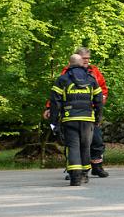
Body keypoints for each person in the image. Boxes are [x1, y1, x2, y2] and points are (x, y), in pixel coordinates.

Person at [44, 47, 110, 177]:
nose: (87, 61)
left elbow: (102, 89)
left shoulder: (94, 71)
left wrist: (101, 101)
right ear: (77, 58)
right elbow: (57, 93)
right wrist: (49, 108)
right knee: (73, 143)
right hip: (71, 113)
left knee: (96, 140)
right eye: (84, 59)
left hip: (89, 112)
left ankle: (97, 166)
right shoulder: (66, 73)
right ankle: (74, 170)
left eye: (88, 59)